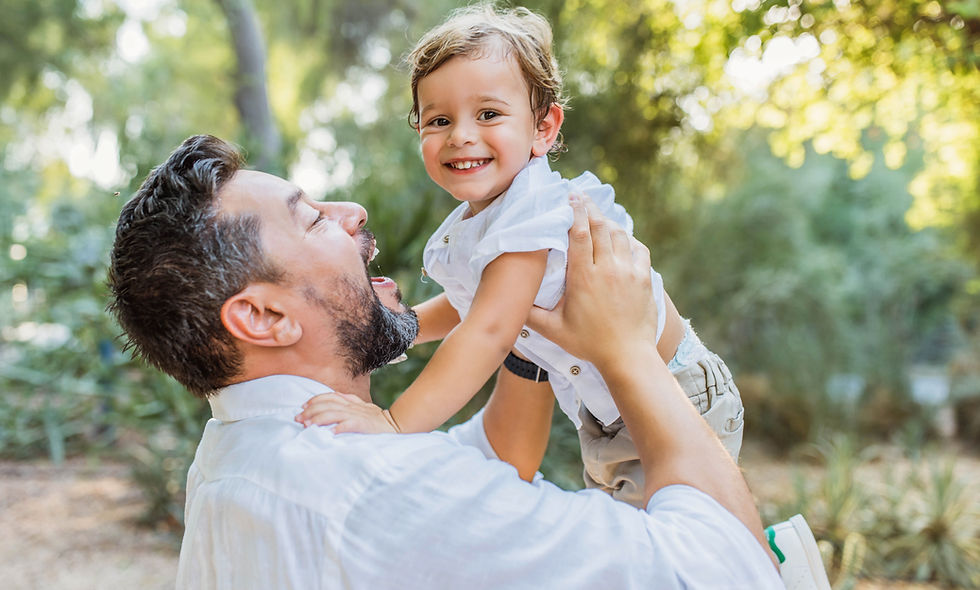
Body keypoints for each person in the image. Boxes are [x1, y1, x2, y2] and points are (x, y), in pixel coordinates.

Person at [106, 134, 794, 588]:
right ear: (264, 317)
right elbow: (732, 572)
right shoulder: (376, 486)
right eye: (313, 218)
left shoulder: (238, 459)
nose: (352, 212)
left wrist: (530, 316)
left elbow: (492, 461)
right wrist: (625, 350)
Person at [298, 2, 743, 509]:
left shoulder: (534, 211)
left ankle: (772, 564)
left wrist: (395, 423)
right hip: (609, 410)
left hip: (677, 393)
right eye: (438, 119)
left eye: (488, 114)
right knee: (654, 540)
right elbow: (475, 303)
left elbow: (489, 329)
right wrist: (406, 330)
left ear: (543, 129)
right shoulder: (487, 216)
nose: (461, 134)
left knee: (680, 547)